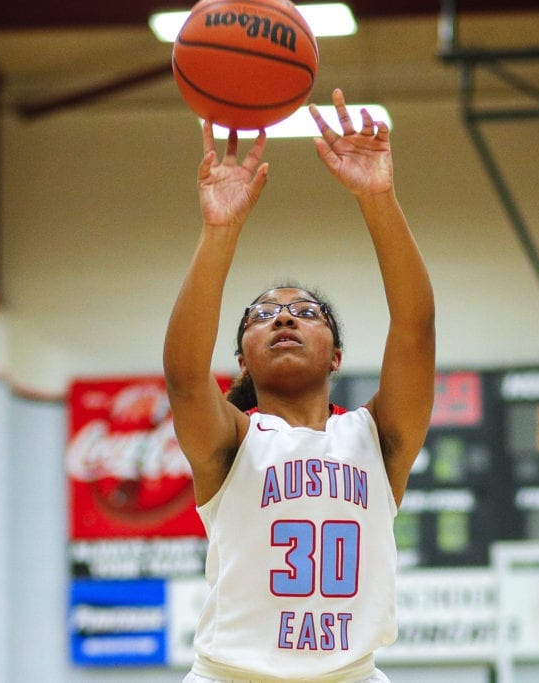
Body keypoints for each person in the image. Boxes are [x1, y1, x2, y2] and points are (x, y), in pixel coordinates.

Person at [164, 88, 435, 683]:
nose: (284, 317)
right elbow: (184, 378)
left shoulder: (376, 441)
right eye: (263, 315)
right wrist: (219, 231)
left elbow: (415, 329)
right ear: (241, 359)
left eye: (307, 312)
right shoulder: (234, 443)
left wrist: (378, 199)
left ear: (337, 355)